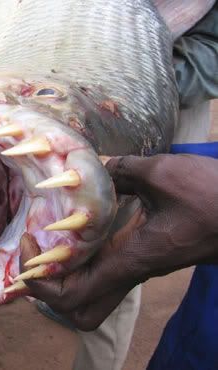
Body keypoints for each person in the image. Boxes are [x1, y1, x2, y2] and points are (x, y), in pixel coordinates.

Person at [20, 5, 218, 369]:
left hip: (152, 107)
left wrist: (131, 80)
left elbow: (213, 50)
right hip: (54, 92)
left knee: (117, 246)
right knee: (45, 215)